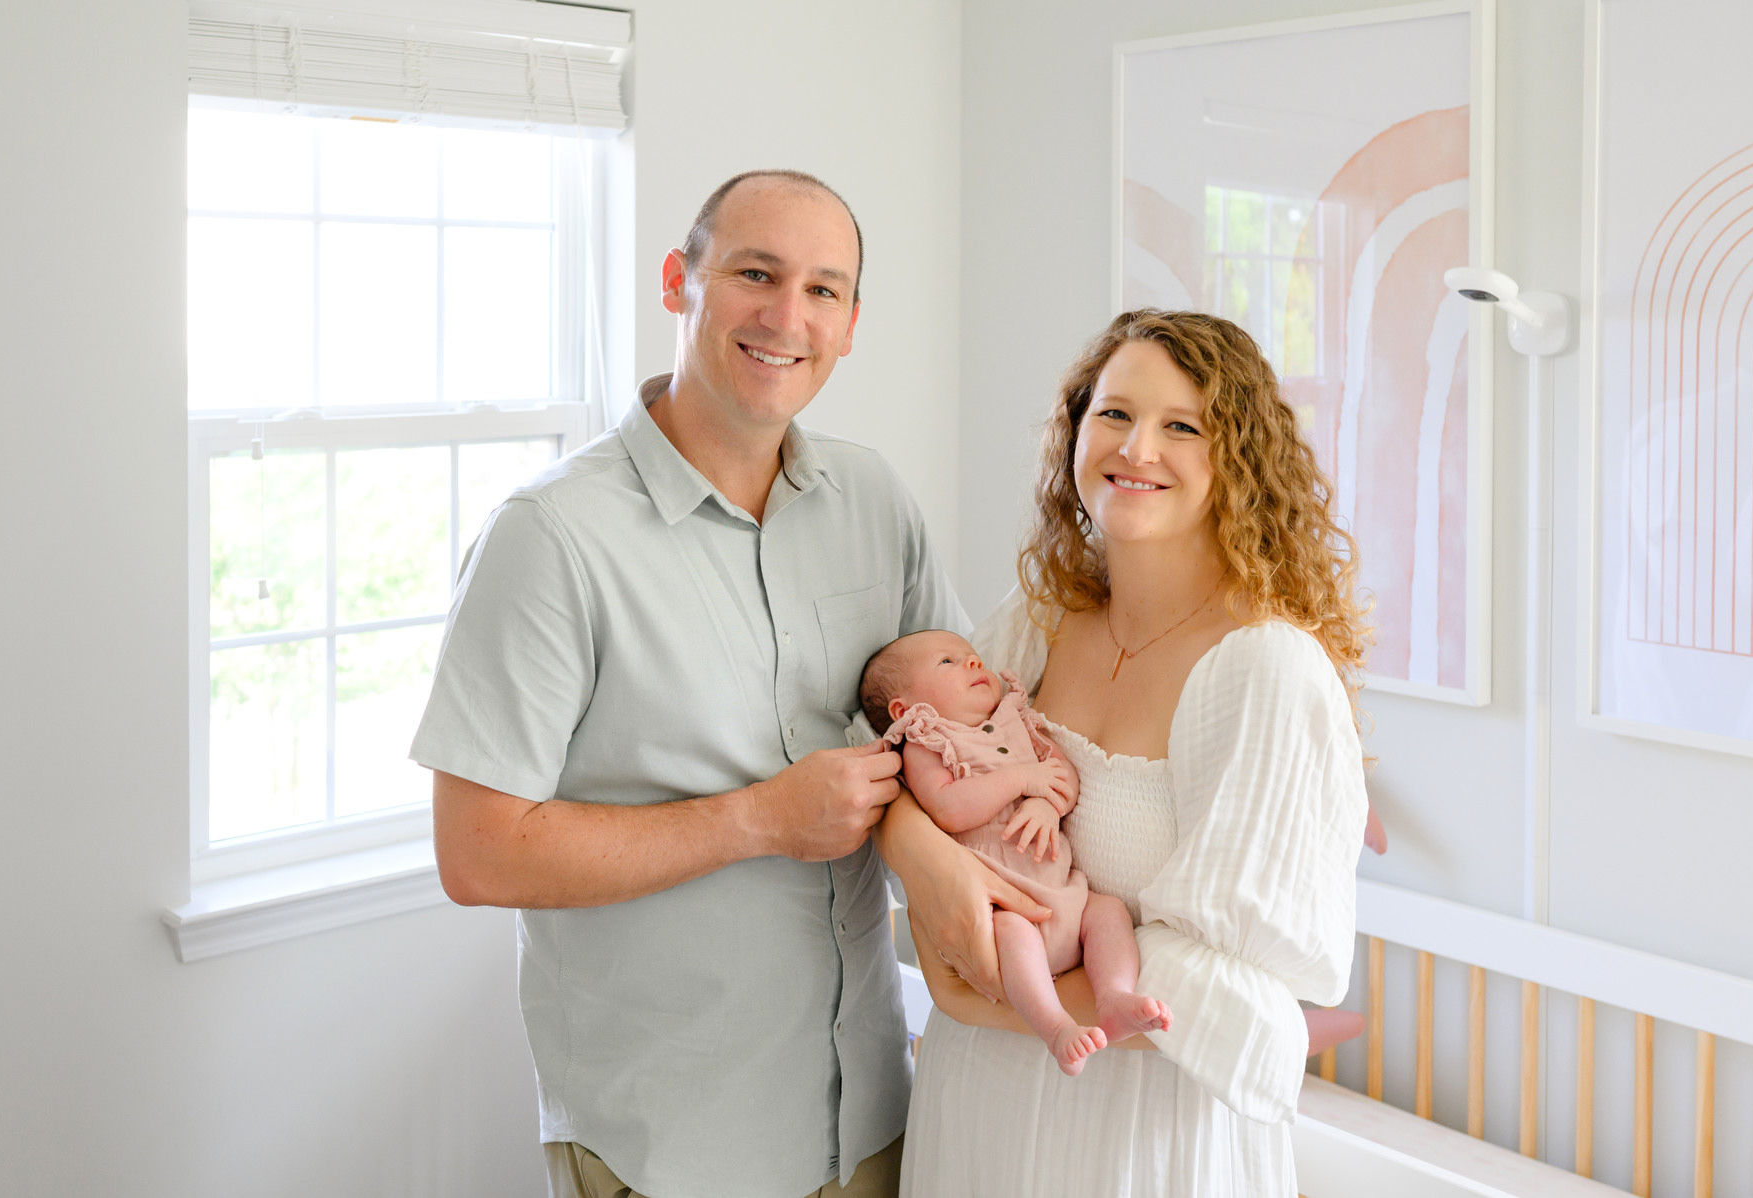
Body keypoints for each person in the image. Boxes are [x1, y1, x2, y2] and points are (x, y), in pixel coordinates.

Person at [410, 169, 1046, 1198]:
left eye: (823, 289)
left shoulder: (874, 501)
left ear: (849, 324)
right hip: (674, 1150)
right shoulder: (550, 539)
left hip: (874, 1119)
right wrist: (759, 818)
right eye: (756, 273)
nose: (787, 316)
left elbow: (962, 741)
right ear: (678, 281)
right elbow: (476, 852)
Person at [884, 310, 1373, 1196]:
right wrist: (914, 849)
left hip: (1142, 1140)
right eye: (1113, 414)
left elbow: (1236, 996)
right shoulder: (1034, 625)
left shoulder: (1267, 667)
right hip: (976, 1114)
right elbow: (913, 769)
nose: (1137, 448)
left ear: (1238, 465)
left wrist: (976, 998)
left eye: (1181, 425)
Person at [859, 630, 1172, 1076]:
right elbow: (947, 807)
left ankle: (1113, 997)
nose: (972, 663)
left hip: (1065, 892)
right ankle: (1056, 1026)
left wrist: (1048, 802)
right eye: (948, 662)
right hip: (1007, 903)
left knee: (1108, 913)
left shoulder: (1016, 719)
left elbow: (1060, 774)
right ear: (904, 710)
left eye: (972, 657)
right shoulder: (927, 744)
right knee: (1013, 934)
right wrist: (1023, 781)